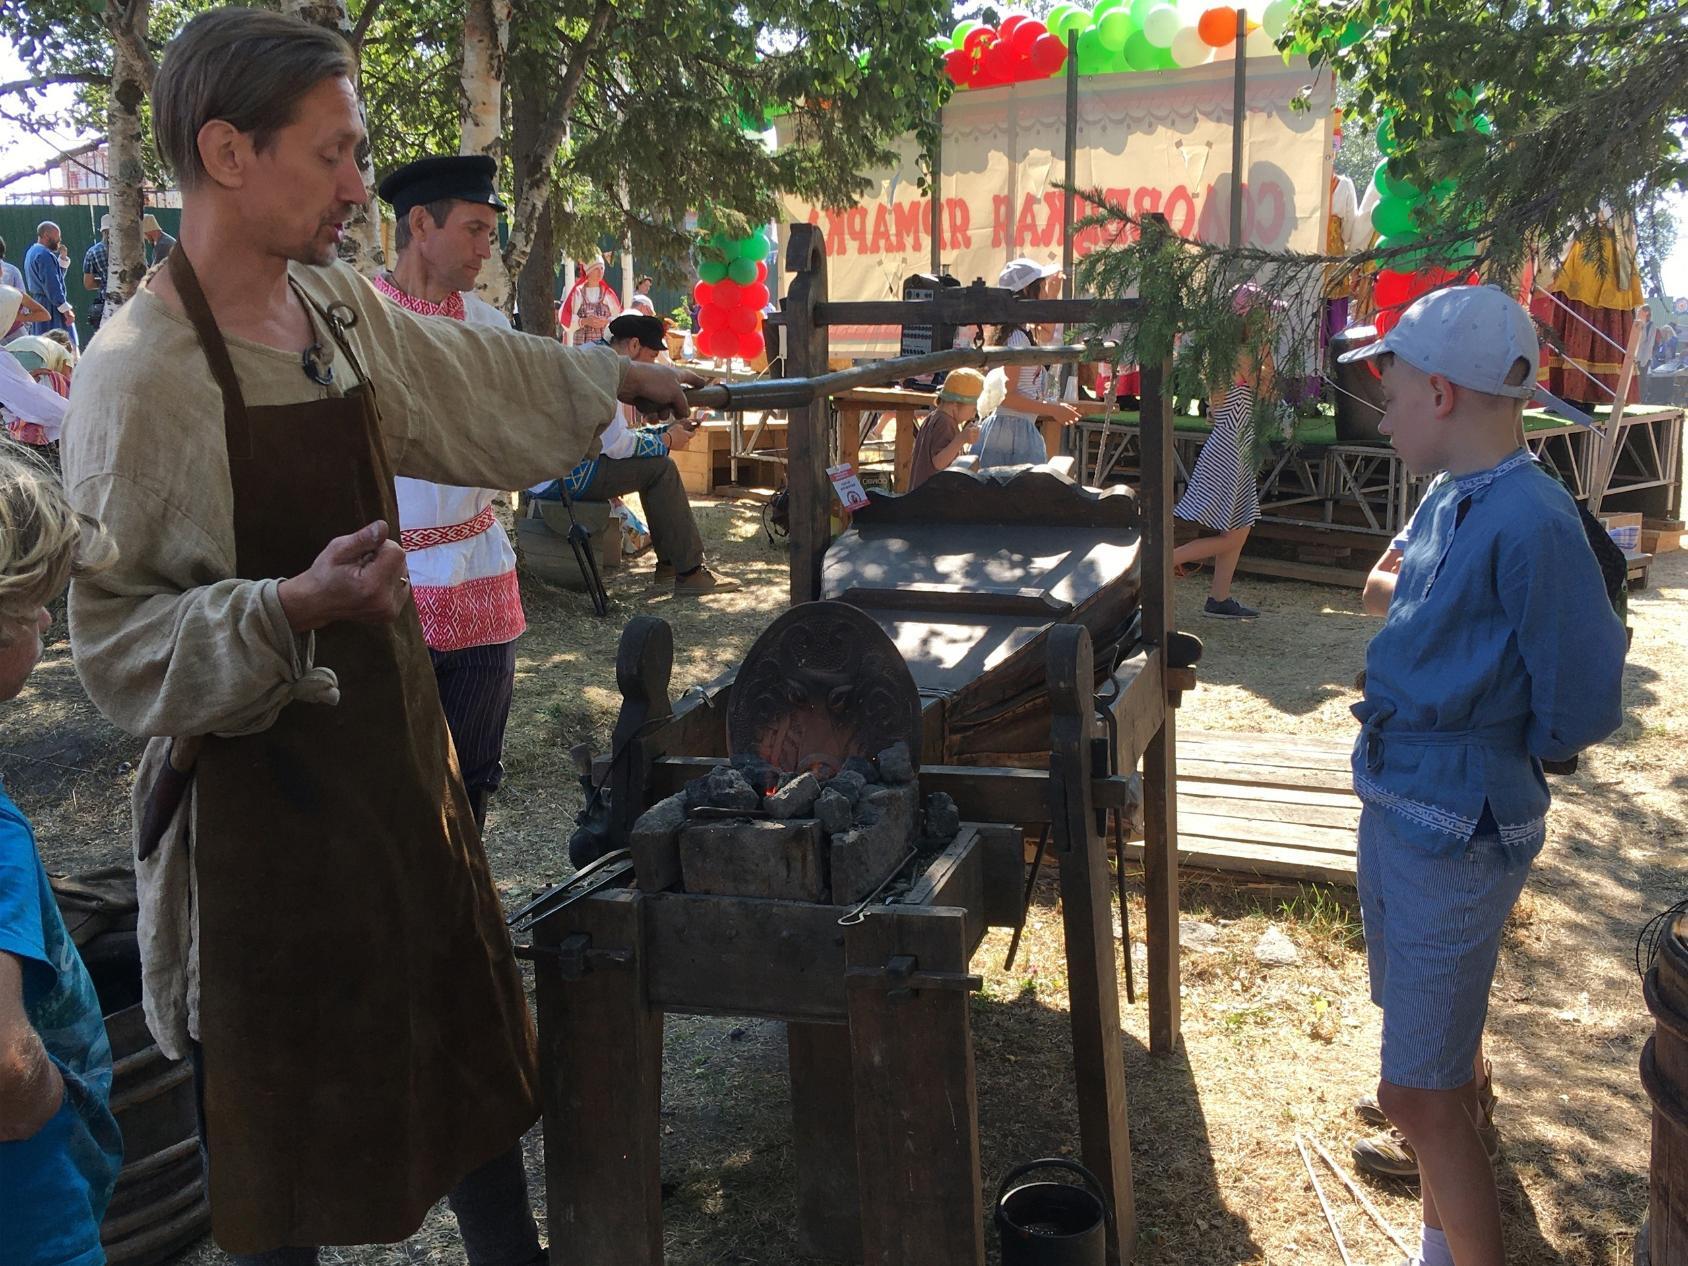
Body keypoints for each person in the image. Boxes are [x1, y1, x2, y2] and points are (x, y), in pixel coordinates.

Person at [60, 9, 696, 1262]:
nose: (361, 188)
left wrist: (606, 377)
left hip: (400, 775)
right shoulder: (141, 374)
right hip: (261, 827)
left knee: (465, 1060)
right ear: (229, 152)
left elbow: (470, 382)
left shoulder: (333, 309)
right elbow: (120, 646)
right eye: (336, 154)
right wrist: (288, 606)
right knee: (280, 1139)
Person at [1336, 285, 1626, 1266]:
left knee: (1412, 1094)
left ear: (1444, 394)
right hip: (1401, 804)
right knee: (1431, 1068)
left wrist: (1491, 739)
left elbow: (1580, 698)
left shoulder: (1531, 520)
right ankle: (1435, 1247)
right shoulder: (1447, 497)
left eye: (1395, 383)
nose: (1383, 403)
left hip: (1454, 824)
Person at [371, 153, 525, 831]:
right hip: (383, 576)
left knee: (473, 773)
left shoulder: (490, 329)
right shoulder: (362, 322)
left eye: (491, 232)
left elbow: (524, 433)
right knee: (390, 773)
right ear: (421, 224)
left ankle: (466, 918)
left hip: (479, 567)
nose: (484, 249)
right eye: (473, 229)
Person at [0, 450, 122, 1266]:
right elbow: (5, 1066)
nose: (50, 622)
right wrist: (55, 1102)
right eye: (36, 606)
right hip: (29, 1216)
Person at [531, 313, 740, 594]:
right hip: (565, 477)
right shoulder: (604, 371)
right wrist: (666, 439)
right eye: (652, 357)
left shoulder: (593, 357)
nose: (654, 367)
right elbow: (616, 447)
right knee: (661, 468)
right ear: (633, 346)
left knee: (655, 464)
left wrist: (662, 434)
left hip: (552, 470)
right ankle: (688, 572)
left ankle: (672, 566)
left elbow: (614, 439)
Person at [1170, 283, 1280, 621]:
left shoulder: (1228, 353)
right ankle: (1161, 561)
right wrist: (1266, 346)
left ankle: (1219, 598)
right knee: (1234, 532)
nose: (1271, 322)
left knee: (1240, 528)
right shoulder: (1243, 353)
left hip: (1232, 444)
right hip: (1231, 447)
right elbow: (1270, 389)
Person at [973, 257, 1079, 468]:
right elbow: (1007, 397)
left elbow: (1047, 334)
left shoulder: (1022, 332)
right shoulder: (1017, 339)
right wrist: (1052, 409)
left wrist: (1052, 296)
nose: (1044, 292)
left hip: (1017, 427)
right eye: (1041, 288)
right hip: (1010, 430)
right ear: (1029, 292)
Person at [908, 367, 985, 490]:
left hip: (921, 496)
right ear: (955, 404)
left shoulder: (934, 417)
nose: (973, 415)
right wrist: (961, 439)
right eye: (973, 409)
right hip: (932, 498)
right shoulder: (945, 423)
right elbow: (938, 462)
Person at [22, 222, 75, 340]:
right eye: (57, 237)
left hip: (41, 303)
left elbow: (53, 278)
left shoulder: (32, 252)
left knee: (42, 342)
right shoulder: (44, 254)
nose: (59, 240)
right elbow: (52, 285)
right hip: (50, 308)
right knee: (57, 344)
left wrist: (62, 259)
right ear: (46, 235)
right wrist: (66, 310)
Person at [558, 255, 620, 345]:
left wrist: (606, 322)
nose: (600, 272)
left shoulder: (608, 294)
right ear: (588, 271)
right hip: (582, 348)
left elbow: (618, 316)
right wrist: (585, 321)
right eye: (596, 269)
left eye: (602, 268)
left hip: (604, 347)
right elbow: (566, 318)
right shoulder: (578, 293)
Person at [82, 216, 110, 330]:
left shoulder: (93, 252)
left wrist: (105, 281)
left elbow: (88, 284)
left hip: (107, 303)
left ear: (102, 231)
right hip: (131, 302)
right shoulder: (131, 249)